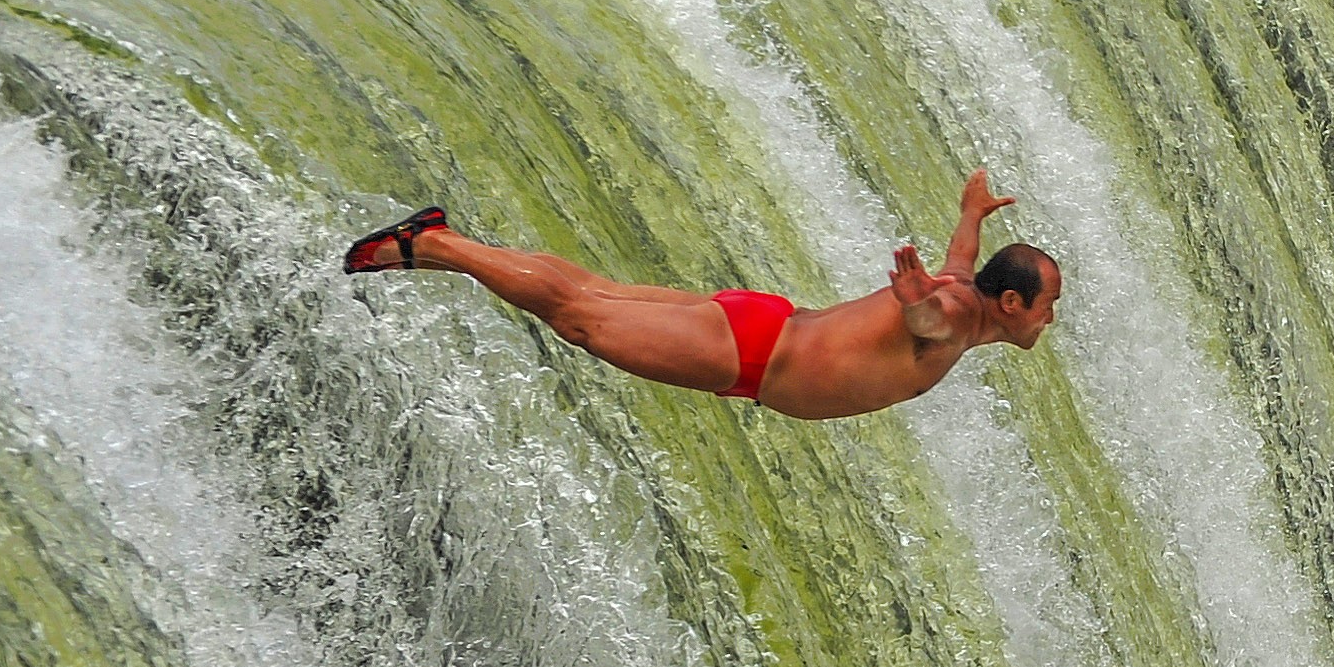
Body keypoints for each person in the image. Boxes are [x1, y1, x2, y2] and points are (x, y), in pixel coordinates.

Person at [338, 169, 1060, 420]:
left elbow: (960, 265)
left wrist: (969, 214)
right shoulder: (960, 315)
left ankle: (438, 251)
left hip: (766, 322)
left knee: (595, 290)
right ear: (1009, 304)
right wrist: (910, 304)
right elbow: (933, 320)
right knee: (582, 319)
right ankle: (436, 244)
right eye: (1046, 304)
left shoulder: (971, 289)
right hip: (750, 356)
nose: (1050, 318)